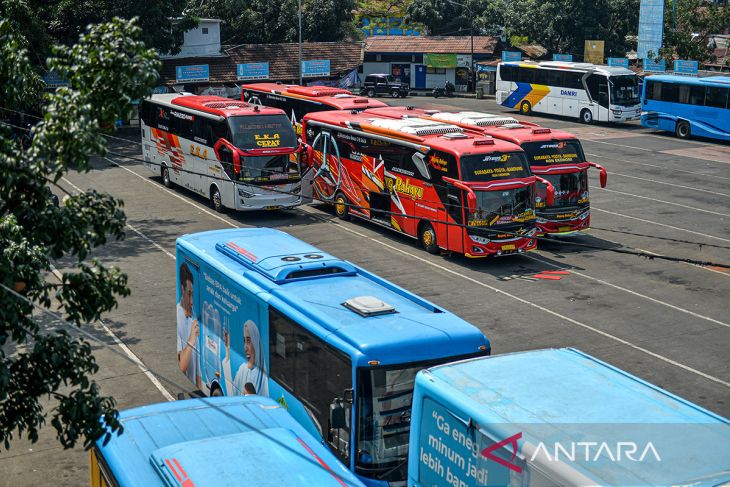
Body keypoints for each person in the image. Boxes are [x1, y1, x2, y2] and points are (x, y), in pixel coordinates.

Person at [222, 319, 269, 397]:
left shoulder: (263, 378)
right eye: (244, 341)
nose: (245, 348)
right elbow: (231, 396)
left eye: (249, 341)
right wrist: (227, 350)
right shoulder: (242, 369)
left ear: (256, 344)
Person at [176, 262, 202, 389]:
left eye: (193, 295)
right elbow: (182, 366)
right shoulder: (177, 316)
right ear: (182, 289)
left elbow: (198, 373)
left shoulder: (194, 316)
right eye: (189, 294)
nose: (192, 301)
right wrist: (191, 340)